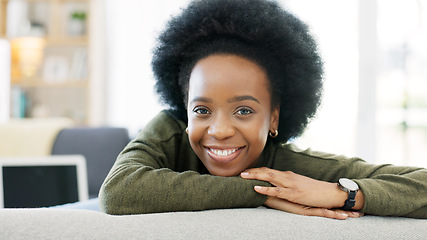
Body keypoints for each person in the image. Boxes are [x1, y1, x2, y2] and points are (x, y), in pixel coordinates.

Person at [99, 0, 427, 219]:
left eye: (243, 110)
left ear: (273, 117)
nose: (220, 130)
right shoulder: (167, 130)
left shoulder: (290, 167)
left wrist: (337, 194)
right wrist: (264, 194)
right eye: (201, 110)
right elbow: (118, 192)